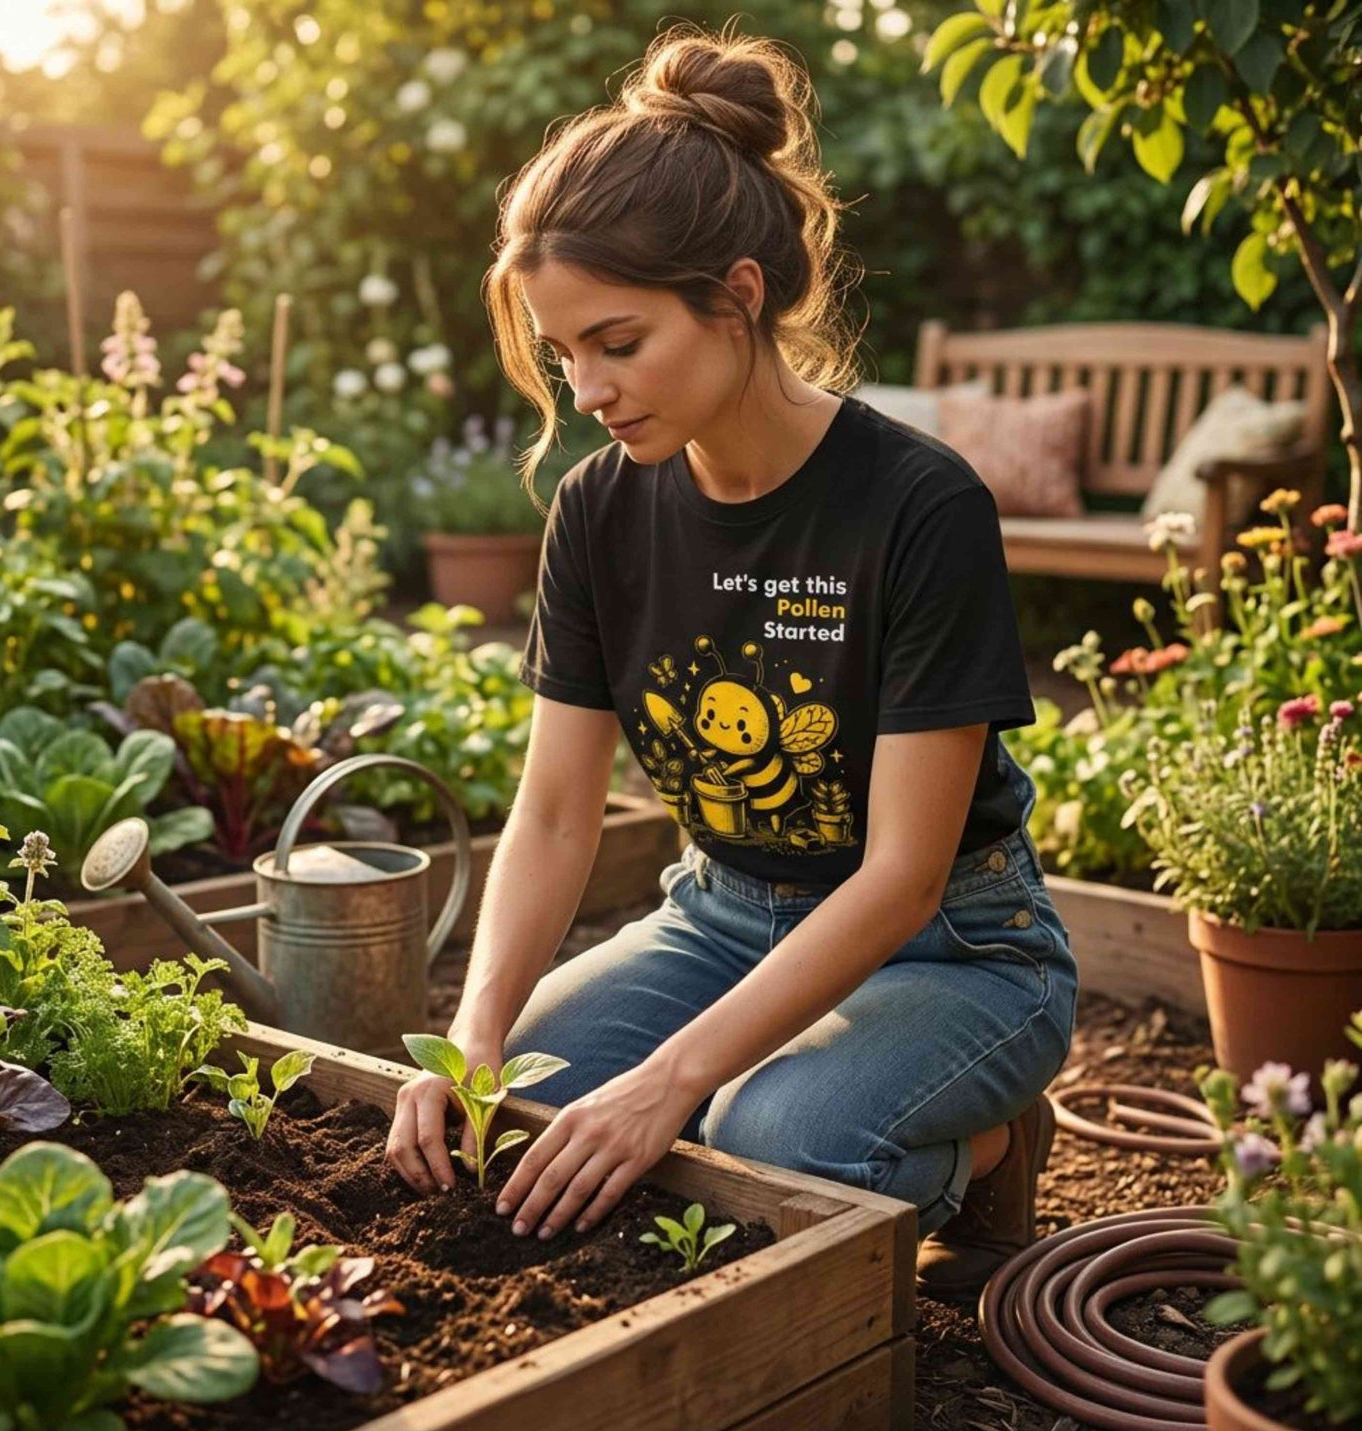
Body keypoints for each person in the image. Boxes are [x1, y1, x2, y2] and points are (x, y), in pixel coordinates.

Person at [385, 20, 1079, 1302]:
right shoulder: (597, 508)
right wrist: (471, 1040)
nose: (585, 387)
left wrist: (674, 1078)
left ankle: (990, 1140)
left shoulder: (917, 506)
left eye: (617, 341)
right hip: (718, 915)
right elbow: (551, 812)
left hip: (954, 945)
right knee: (533, 1109)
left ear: (739, 295)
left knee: (772, 1140)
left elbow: (900, 876)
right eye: (561, 353)